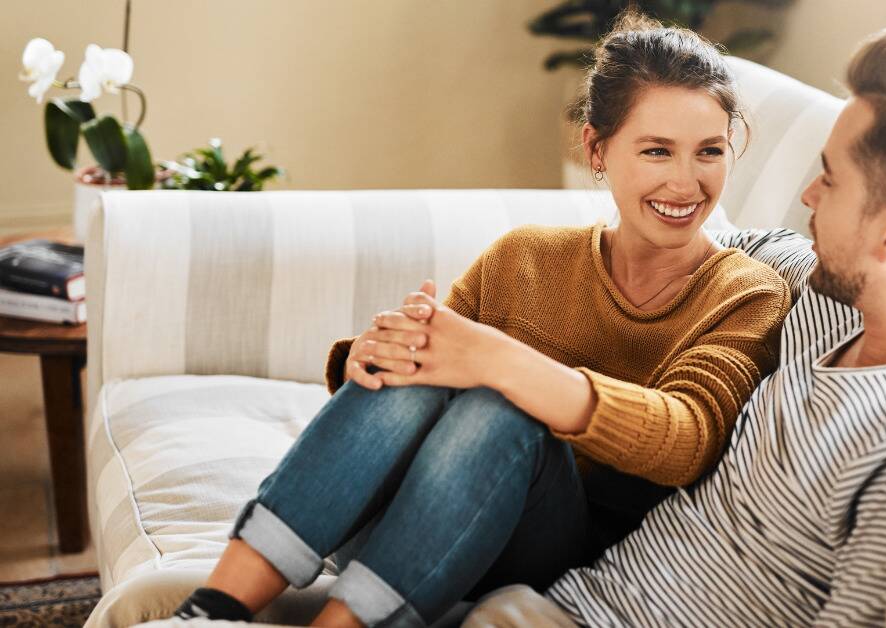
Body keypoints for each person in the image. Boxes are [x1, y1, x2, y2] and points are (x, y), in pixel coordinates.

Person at [171, 11, 791, 628]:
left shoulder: (744, 292)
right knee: (428, 358)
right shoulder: (524, 257)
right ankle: (208, 612)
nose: (686, 182)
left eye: (709, 151)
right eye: (657, 150)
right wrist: (370, 353)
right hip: (384, 533)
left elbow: (686, 441)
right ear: (596, 148)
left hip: (538, 552)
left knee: (502, 409)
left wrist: (504, 363)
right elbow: (424, 378)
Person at [462, 25, 886, 627]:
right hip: (551, 602)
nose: (807, 195)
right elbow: (694, 239)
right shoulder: (815, 296)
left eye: (830, 179)